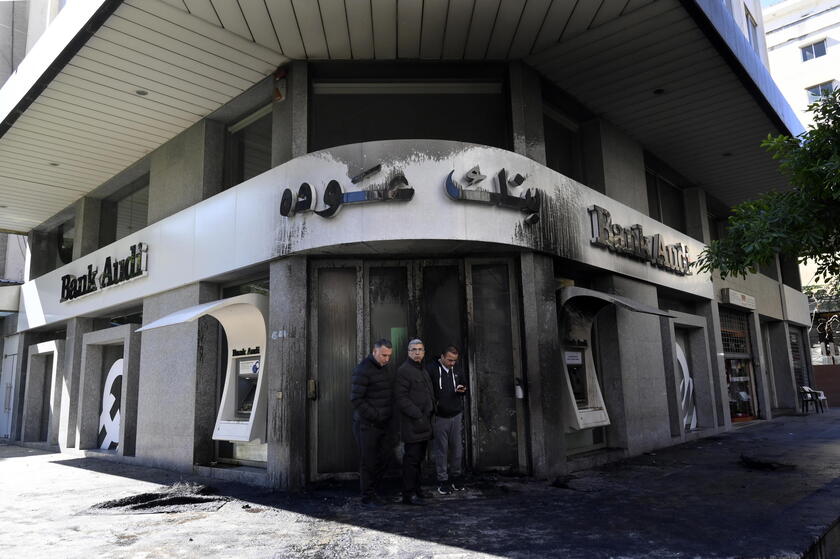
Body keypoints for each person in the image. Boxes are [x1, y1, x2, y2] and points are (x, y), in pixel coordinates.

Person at [351, 339, 394, 505]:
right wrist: (375, 415)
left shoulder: (384, 368)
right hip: (367, 424)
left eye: (389, 356)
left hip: (382, 423)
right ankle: (367, 496)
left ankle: (374, 491)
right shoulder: (363, 370)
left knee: (384, 458)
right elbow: (356, 399)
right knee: (368, 461)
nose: (387, 359)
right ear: (374, 352)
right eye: (384, 355)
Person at [394, 338, 435, 505]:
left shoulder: (422, 370)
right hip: (413, 424)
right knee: (411, 461)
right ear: (408, 352)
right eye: (414, 350)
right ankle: (408, 495)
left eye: (420, 349)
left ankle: (417, 491)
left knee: (418, 460)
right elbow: (401, 398)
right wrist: (418, 415)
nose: (417, 352)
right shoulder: (404, 370)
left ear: (424, 352)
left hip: (424, 424)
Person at [427, 345, 467, 495]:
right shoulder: (431, 369)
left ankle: (456, 477)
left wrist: (463, 389)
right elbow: (426, 390)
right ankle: (442, 481)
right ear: (442, 357)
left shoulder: (457, 369)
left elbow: (464, 384)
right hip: (439, 416)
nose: (452, 363)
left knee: (458, 449)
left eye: (454, 360)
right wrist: (432, 408)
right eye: (449, 360)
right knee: (441, 450)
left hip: (456, 414)